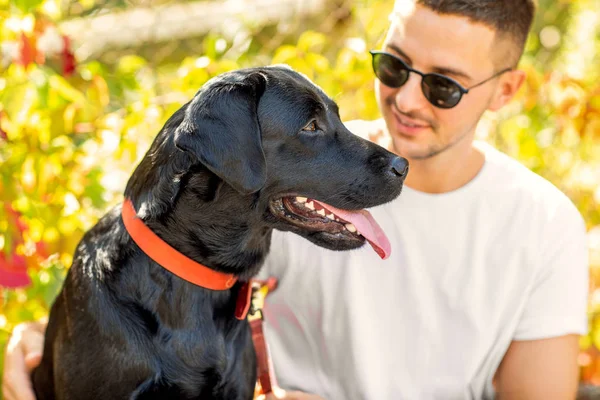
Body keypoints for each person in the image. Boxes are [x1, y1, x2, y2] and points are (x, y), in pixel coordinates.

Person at [2, 0, 590, 399]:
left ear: (506, 90)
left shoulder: (540, 226)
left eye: (443, 85)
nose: (407, 99)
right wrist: (46, 340)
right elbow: (150, 267)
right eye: (392, 66)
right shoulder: (276, 163)